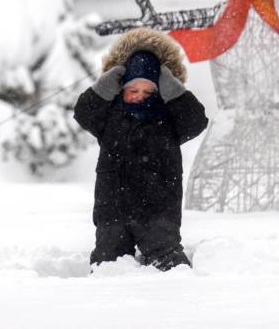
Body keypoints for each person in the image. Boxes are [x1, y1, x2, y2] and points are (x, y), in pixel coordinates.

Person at [73, 28, 208, 272]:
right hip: (113, 209)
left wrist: (173, 88)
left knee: (169, 261)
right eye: (133, 90)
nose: (140, 97)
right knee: (107, 263)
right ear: (121, 88)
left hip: (159, 210)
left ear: (161, 91)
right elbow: (83, 113)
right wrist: (104, 86)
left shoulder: (168, 117)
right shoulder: (111, 113)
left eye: (149, 91)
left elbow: (196, 121)